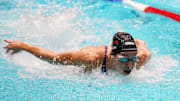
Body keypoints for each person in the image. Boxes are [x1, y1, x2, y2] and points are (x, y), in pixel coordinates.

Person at [3, 32, 151, 75]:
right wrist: (24, 46)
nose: (131, 64)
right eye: (124, 60)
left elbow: (142, 45)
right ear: (113, 55)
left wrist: (138, 44)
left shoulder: (141, 57)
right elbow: (53, 58)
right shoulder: (90, 58)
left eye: (133, 58)